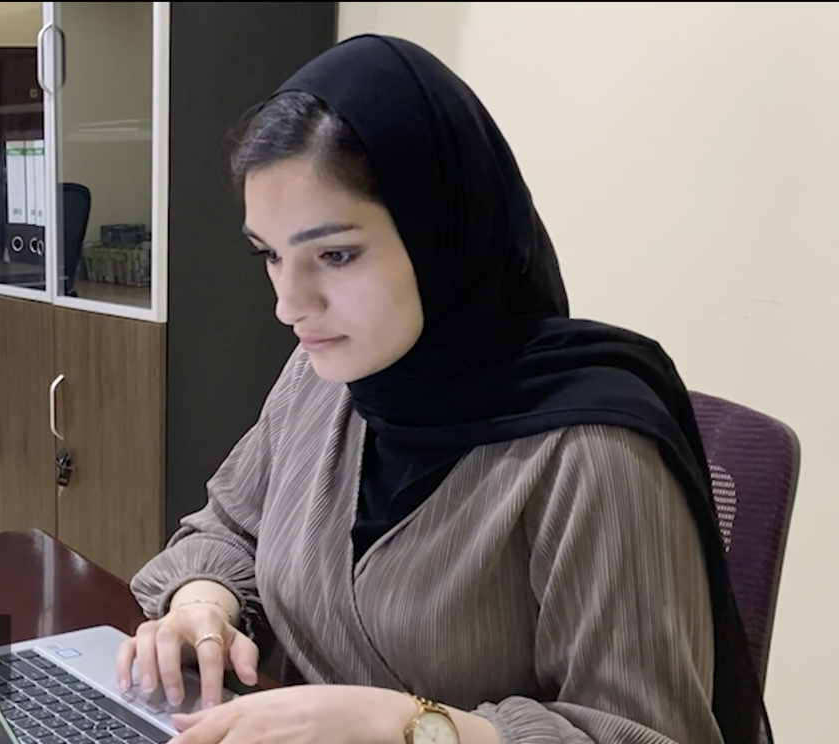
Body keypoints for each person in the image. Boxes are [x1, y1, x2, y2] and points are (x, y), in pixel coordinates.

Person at [115, 34, 772, 744]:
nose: (289, 304)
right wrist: (202, 603)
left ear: (441, 233)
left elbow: (646, 733)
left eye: (334, 255)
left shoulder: (591, 452)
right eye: (271, 256)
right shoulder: (324, 378)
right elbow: (232, 525)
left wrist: (410, 726)